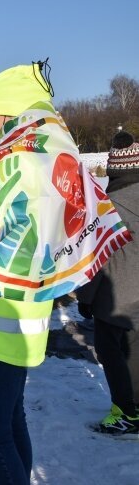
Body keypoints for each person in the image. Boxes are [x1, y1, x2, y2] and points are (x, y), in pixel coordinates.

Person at [0, 61, 130, 485]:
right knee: (11, 416)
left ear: (10, 111)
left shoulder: (15, 161)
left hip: (0, 313)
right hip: (26, 308)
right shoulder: (54, 154)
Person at [76, 130, 139, 435]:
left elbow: (97, 257)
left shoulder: (108, 205)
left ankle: (125, 412)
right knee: (135, 351)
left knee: (110, 350)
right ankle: (135, 408)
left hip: (117, 297)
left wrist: (85, 298)